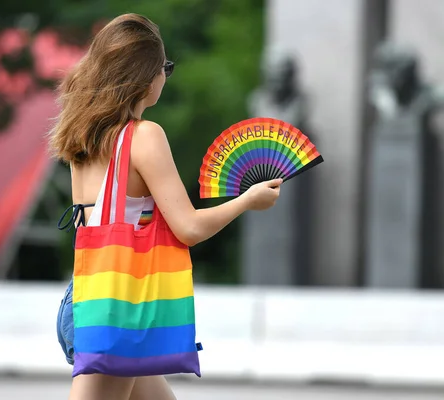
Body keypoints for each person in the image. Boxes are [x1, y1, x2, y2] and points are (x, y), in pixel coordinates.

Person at [48, 13, 282, 400]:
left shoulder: (83, 139)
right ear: (145, 74)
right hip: (118, 309)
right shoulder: (145, 137)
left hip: (85, 299)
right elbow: (187, 227)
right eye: (165, 67)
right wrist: (246, 201)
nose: (165, 77)